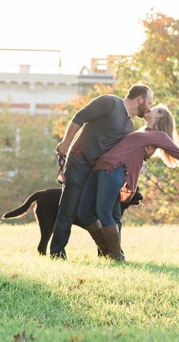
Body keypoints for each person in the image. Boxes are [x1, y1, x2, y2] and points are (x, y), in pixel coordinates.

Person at [77, 105, 179, 261]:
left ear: (159, 116)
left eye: (154, 109)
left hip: (114, 169)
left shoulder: (158, 135)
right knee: (83, 211)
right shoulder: (139, 131)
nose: (149, 108)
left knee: (105, 214)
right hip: (99, 168)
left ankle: (115, 257)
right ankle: (108, 251)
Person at [48, 84, 154, 259]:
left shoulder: (130, 126)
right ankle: (57, 254)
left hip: (99, 171)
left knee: (105, 212)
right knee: (68, 210)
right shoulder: (110, 103)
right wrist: (66, 142)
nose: (150, 107)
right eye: (149, 102)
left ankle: (109, 253)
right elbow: (80, 116)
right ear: (140, 99)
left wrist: (148, 153)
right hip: (79, 162)